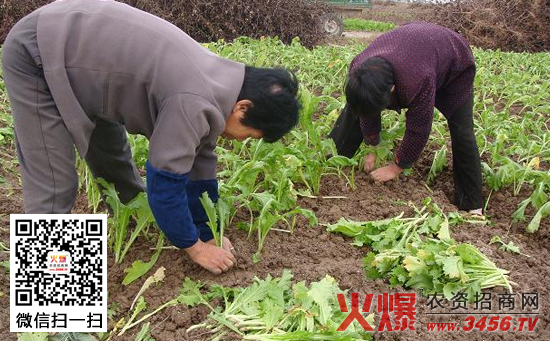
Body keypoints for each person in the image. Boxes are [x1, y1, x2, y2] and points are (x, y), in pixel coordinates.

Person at [2, 0, 300, 274]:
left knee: (113, 159)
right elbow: (165, 181)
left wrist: (210, 232)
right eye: (248, 135)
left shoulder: (221, 85)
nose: (240, 141)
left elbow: (200, 167)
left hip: (86, 64)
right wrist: (195, 248)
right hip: (40, 51)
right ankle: (57, 314)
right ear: (243, 107)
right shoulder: (194, 99)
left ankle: (131, 220)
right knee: (55, 183)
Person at [330, 22, 483, 214]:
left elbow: (418, 128)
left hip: (454, 62)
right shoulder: (359, 69)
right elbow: (366, 109)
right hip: (415, 50)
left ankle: (472, 204)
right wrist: (372, 145)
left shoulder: (418, 79)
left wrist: (396, 168)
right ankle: (332, 163)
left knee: (462, 130)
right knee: (359, 103)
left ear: (392, 89)